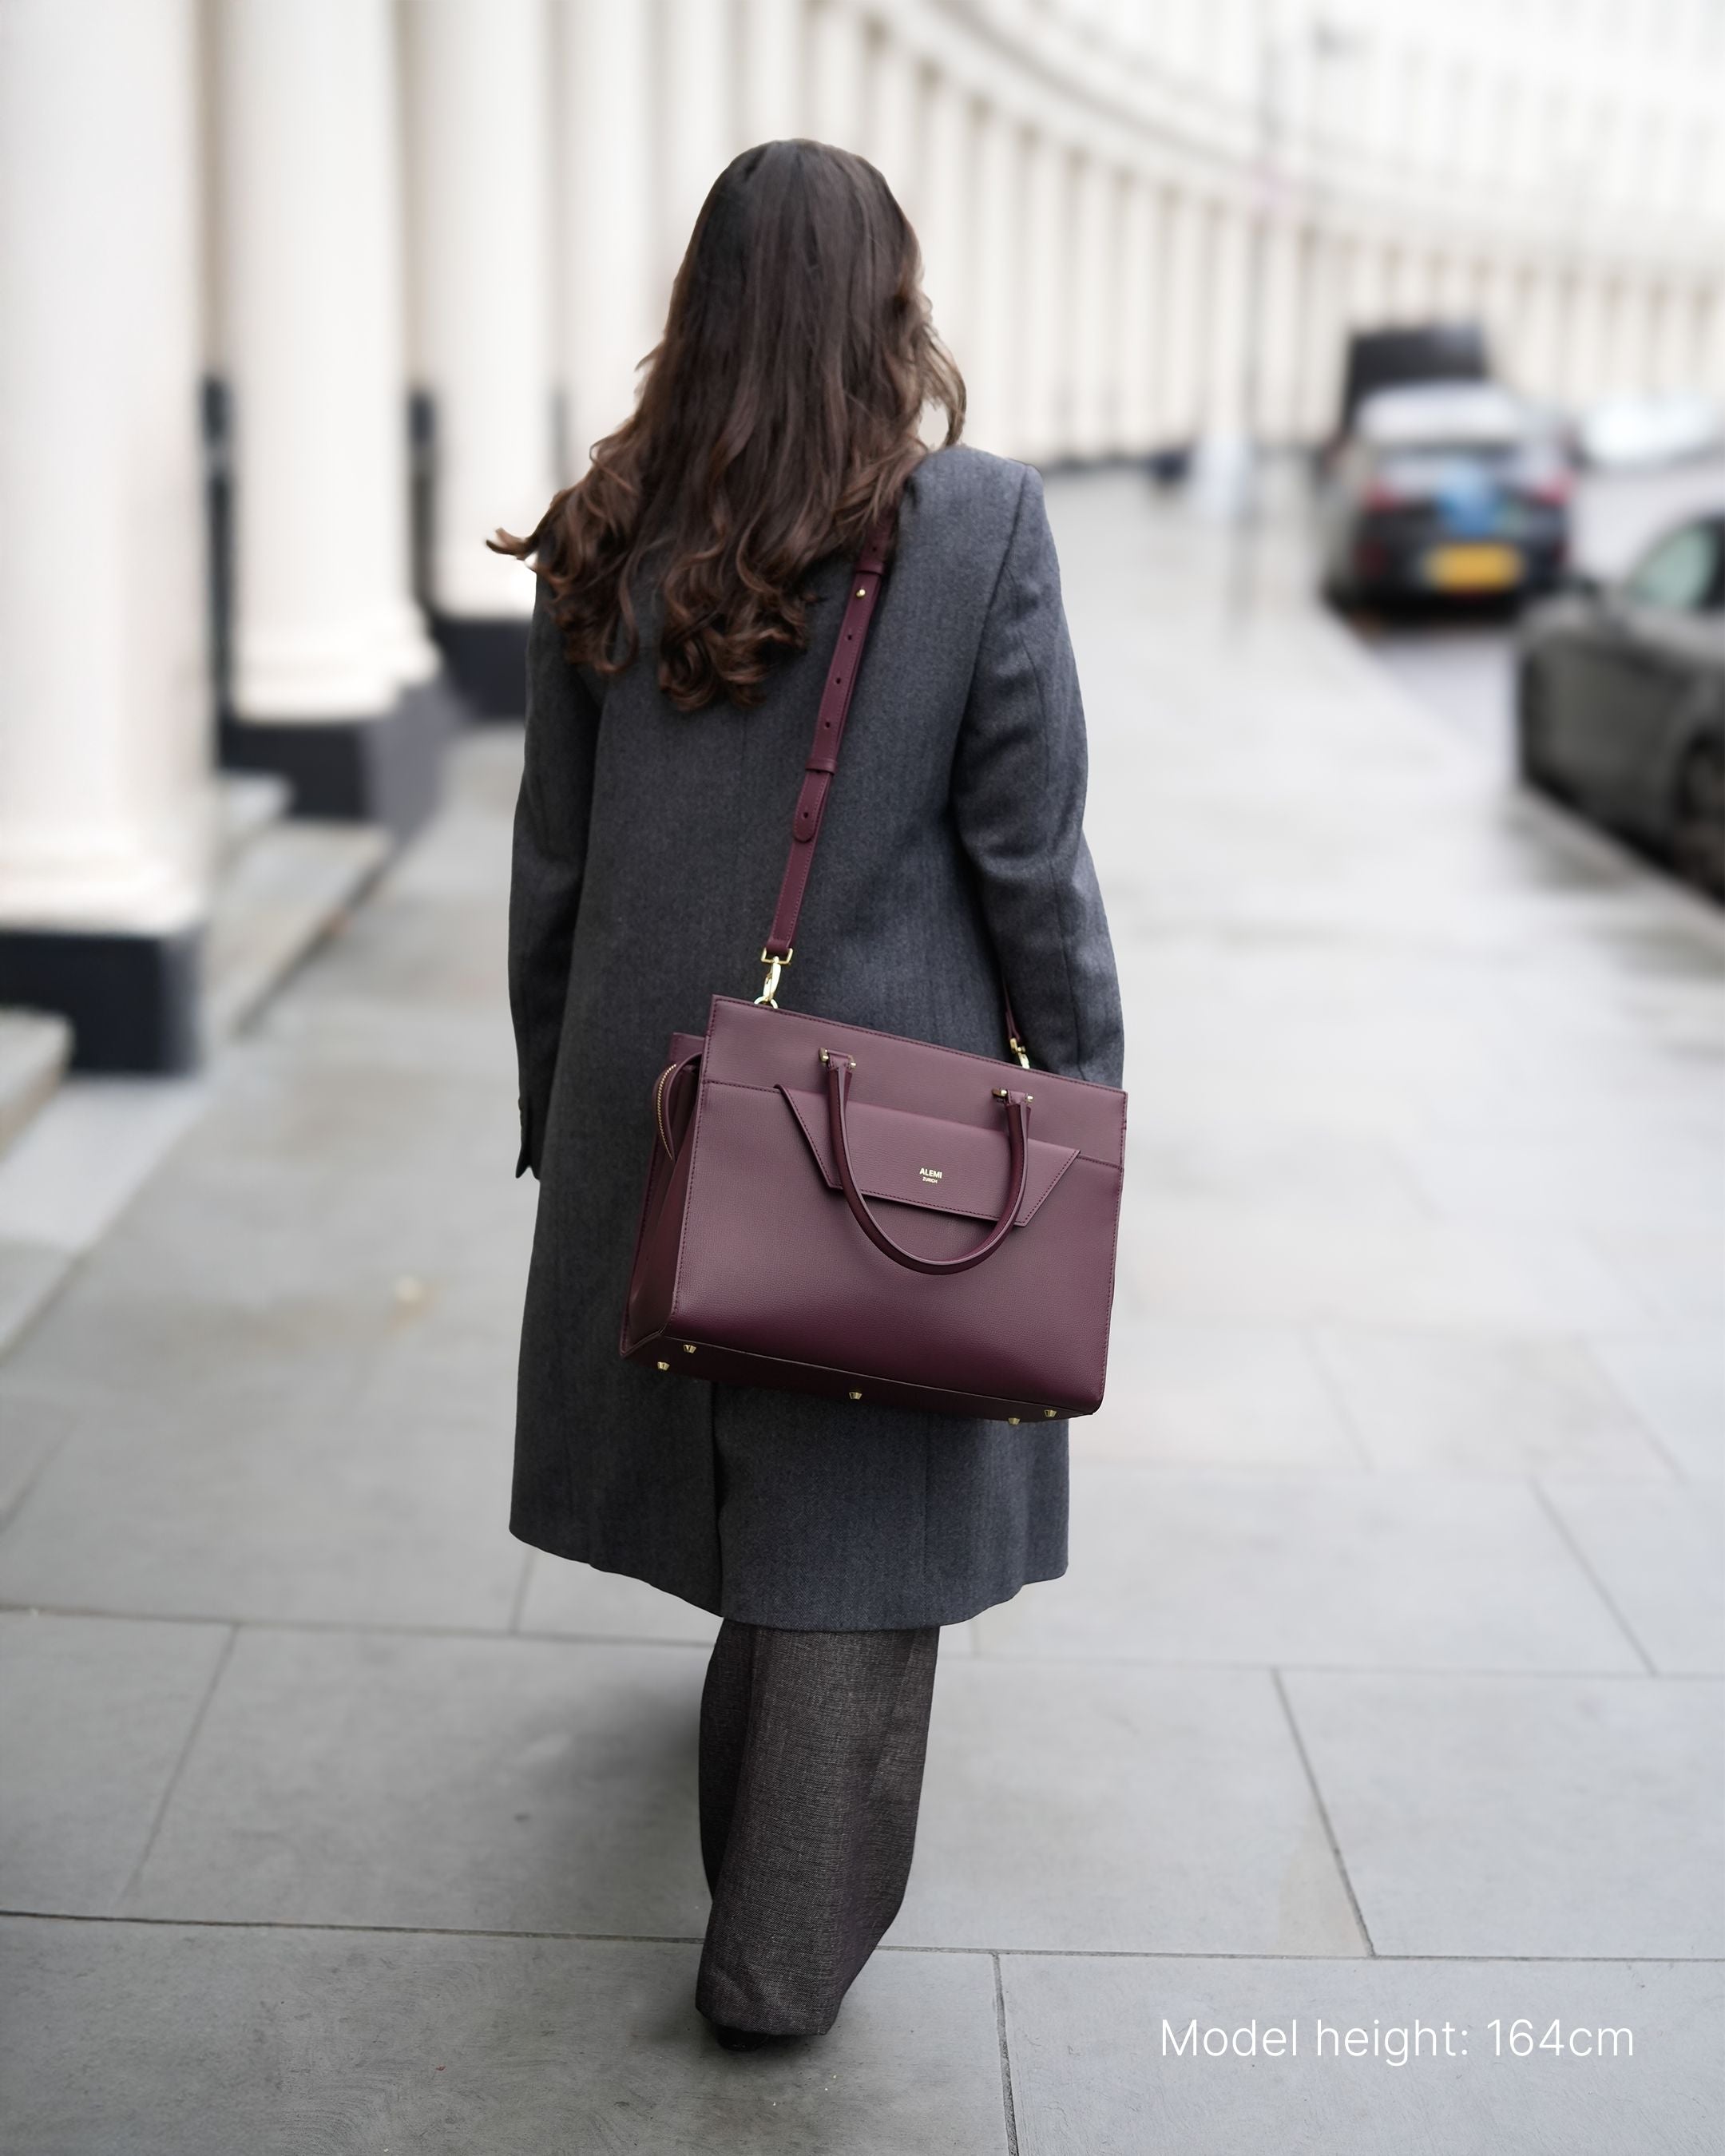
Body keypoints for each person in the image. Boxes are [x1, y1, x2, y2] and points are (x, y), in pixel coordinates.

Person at [498, 139, 1122, 2051]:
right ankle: (773, 1965)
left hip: (661, 1086)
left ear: (704, 310)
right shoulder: (976, 526)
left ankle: (752, 1886)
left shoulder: (611, 520)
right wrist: (1084, 1094)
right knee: (857, 1515)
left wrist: (563, 1105)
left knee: (749, 1466)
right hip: (881, 1123)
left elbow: (552, 863)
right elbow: (1032, 859)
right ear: (889, 309)